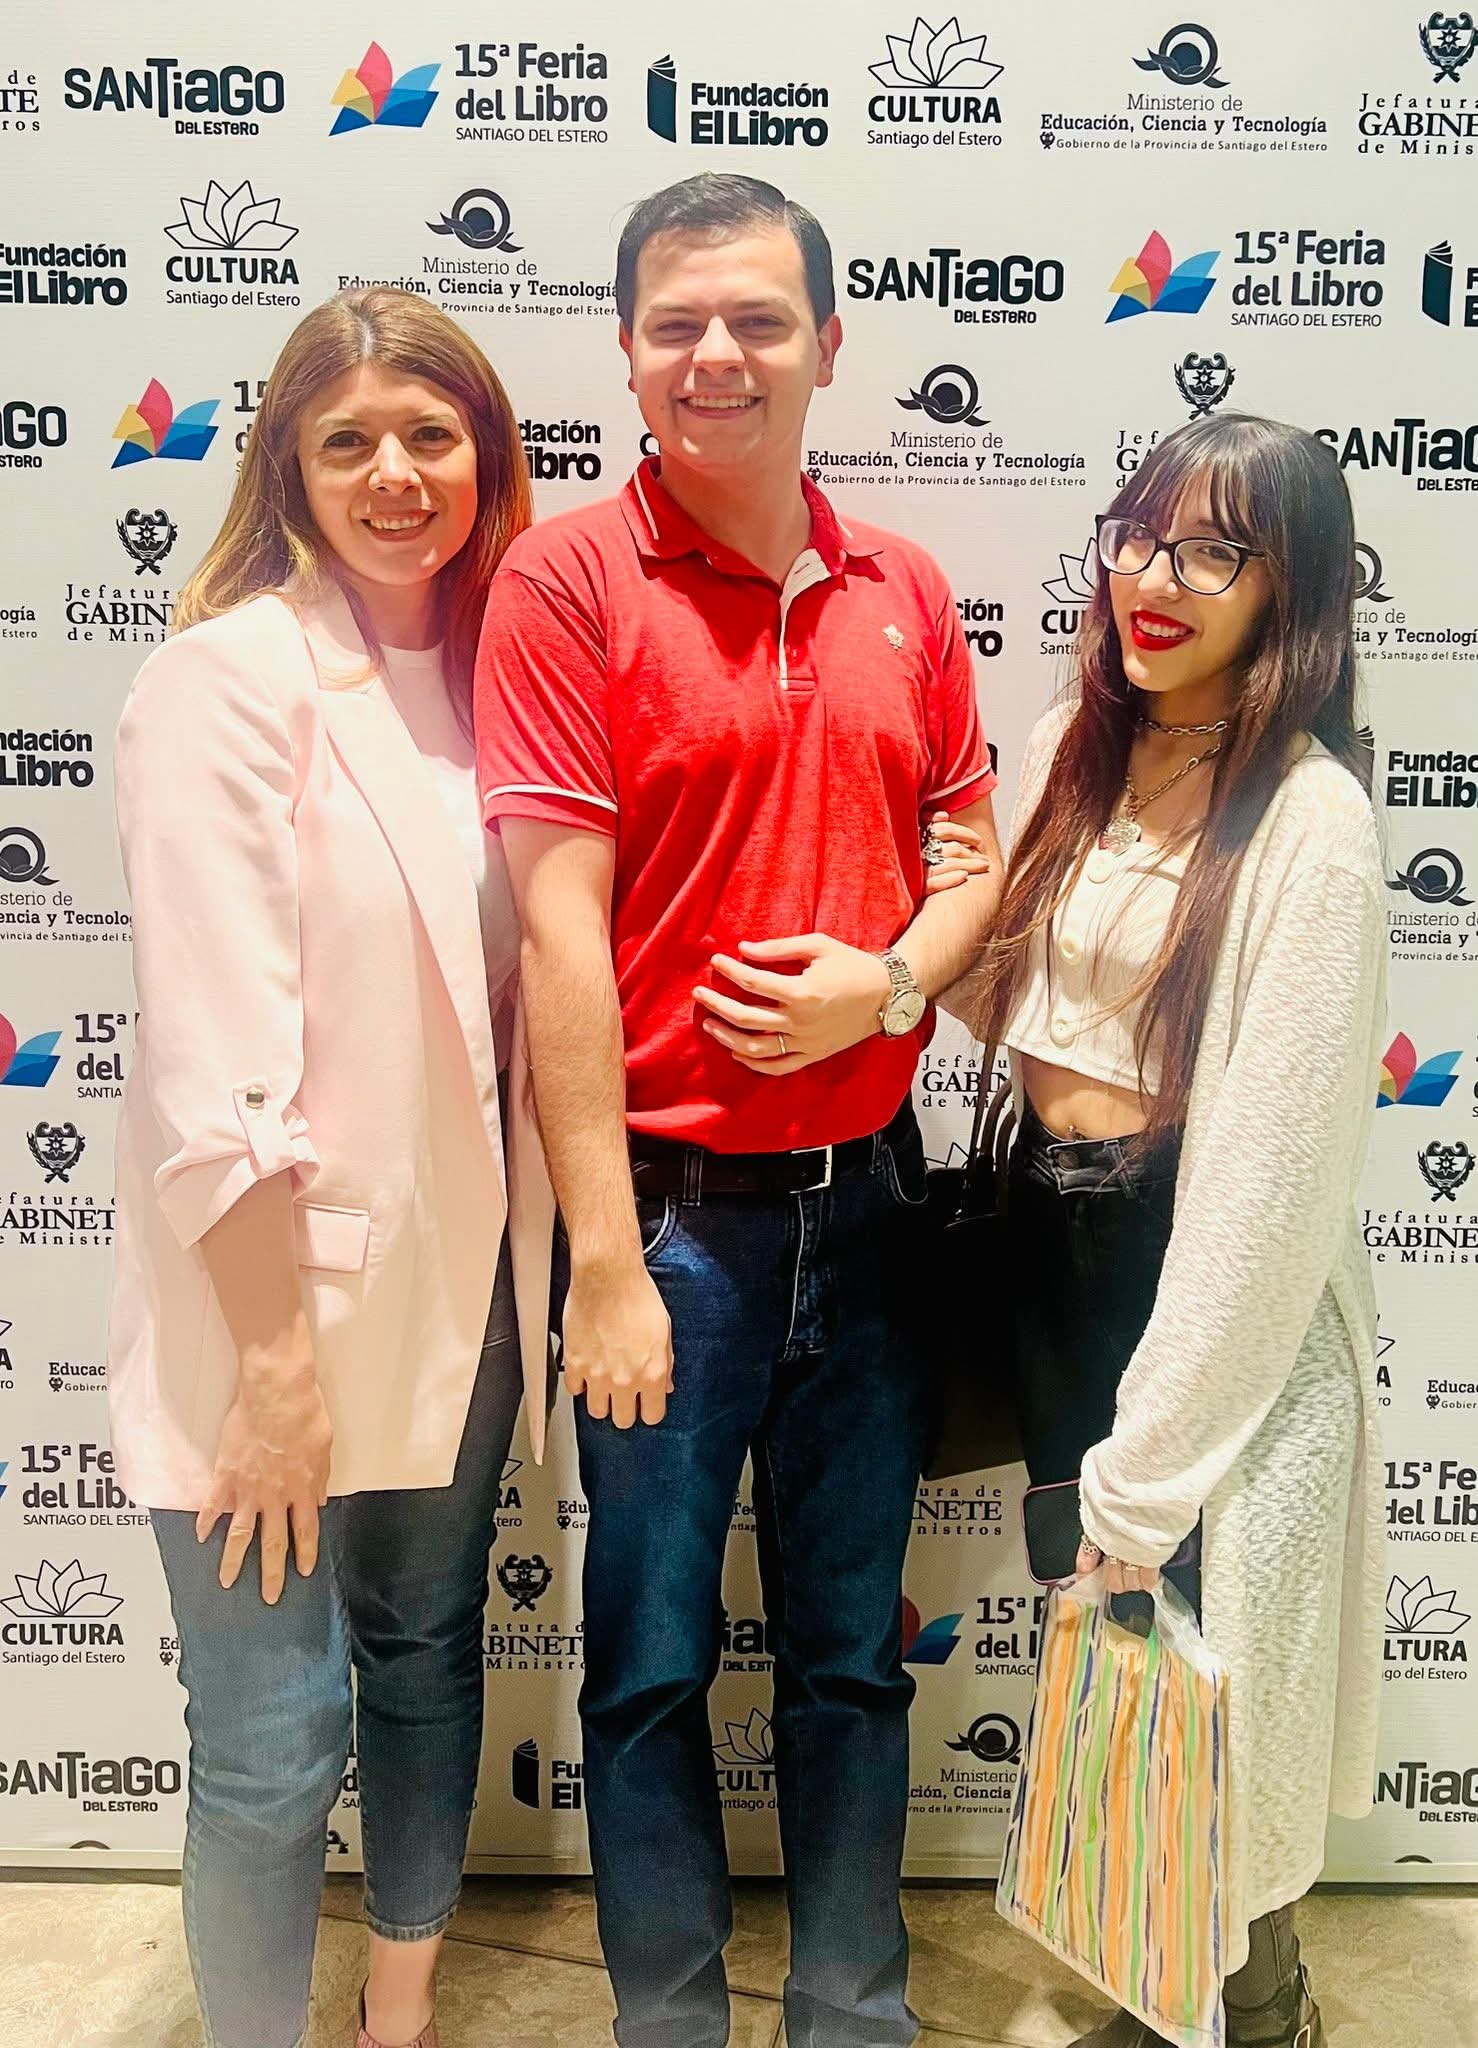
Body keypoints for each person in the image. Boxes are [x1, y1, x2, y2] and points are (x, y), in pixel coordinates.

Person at [474, 173, 1002, 2048]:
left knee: (854, 1665)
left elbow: (970, 858)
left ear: (827, 346)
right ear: (626, 351)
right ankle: (671, 2026)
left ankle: (851, 2016)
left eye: (759, 320)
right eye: (678, 322)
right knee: (644, 1670)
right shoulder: (564, 584)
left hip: (874, 1213)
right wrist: (606, 1265)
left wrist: (894, 985)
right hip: (668, 1232)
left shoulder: (904, 589)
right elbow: (556, 941)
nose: (718, 355)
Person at [108, 288, 554, 2048]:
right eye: (346, 439)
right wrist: (276, 1370)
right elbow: (214, 1062)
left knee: (426, 1657)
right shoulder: (225, 677)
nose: (394, 475)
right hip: (265, 1302)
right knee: (274, 1741)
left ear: (485, 457)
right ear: (286, 465)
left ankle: (398, 2016)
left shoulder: (517, 678)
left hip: (461, 1286)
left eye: (431, 435)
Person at [956, 414, 1386, 2048]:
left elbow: (1268, 1187)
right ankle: (1168, 1992)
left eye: (1215, 550)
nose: (1158, 576)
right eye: (1141, 533)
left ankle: (1255, 2015)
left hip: (1204, 1296)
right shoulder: (1081, 754)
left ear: (1292, 589)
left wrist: (1149, 1470)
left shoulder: (1308, 824)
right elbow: (1018, 1006)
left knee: (1214, 1692)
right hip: (1063, 1271)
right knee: (1127, 1691)